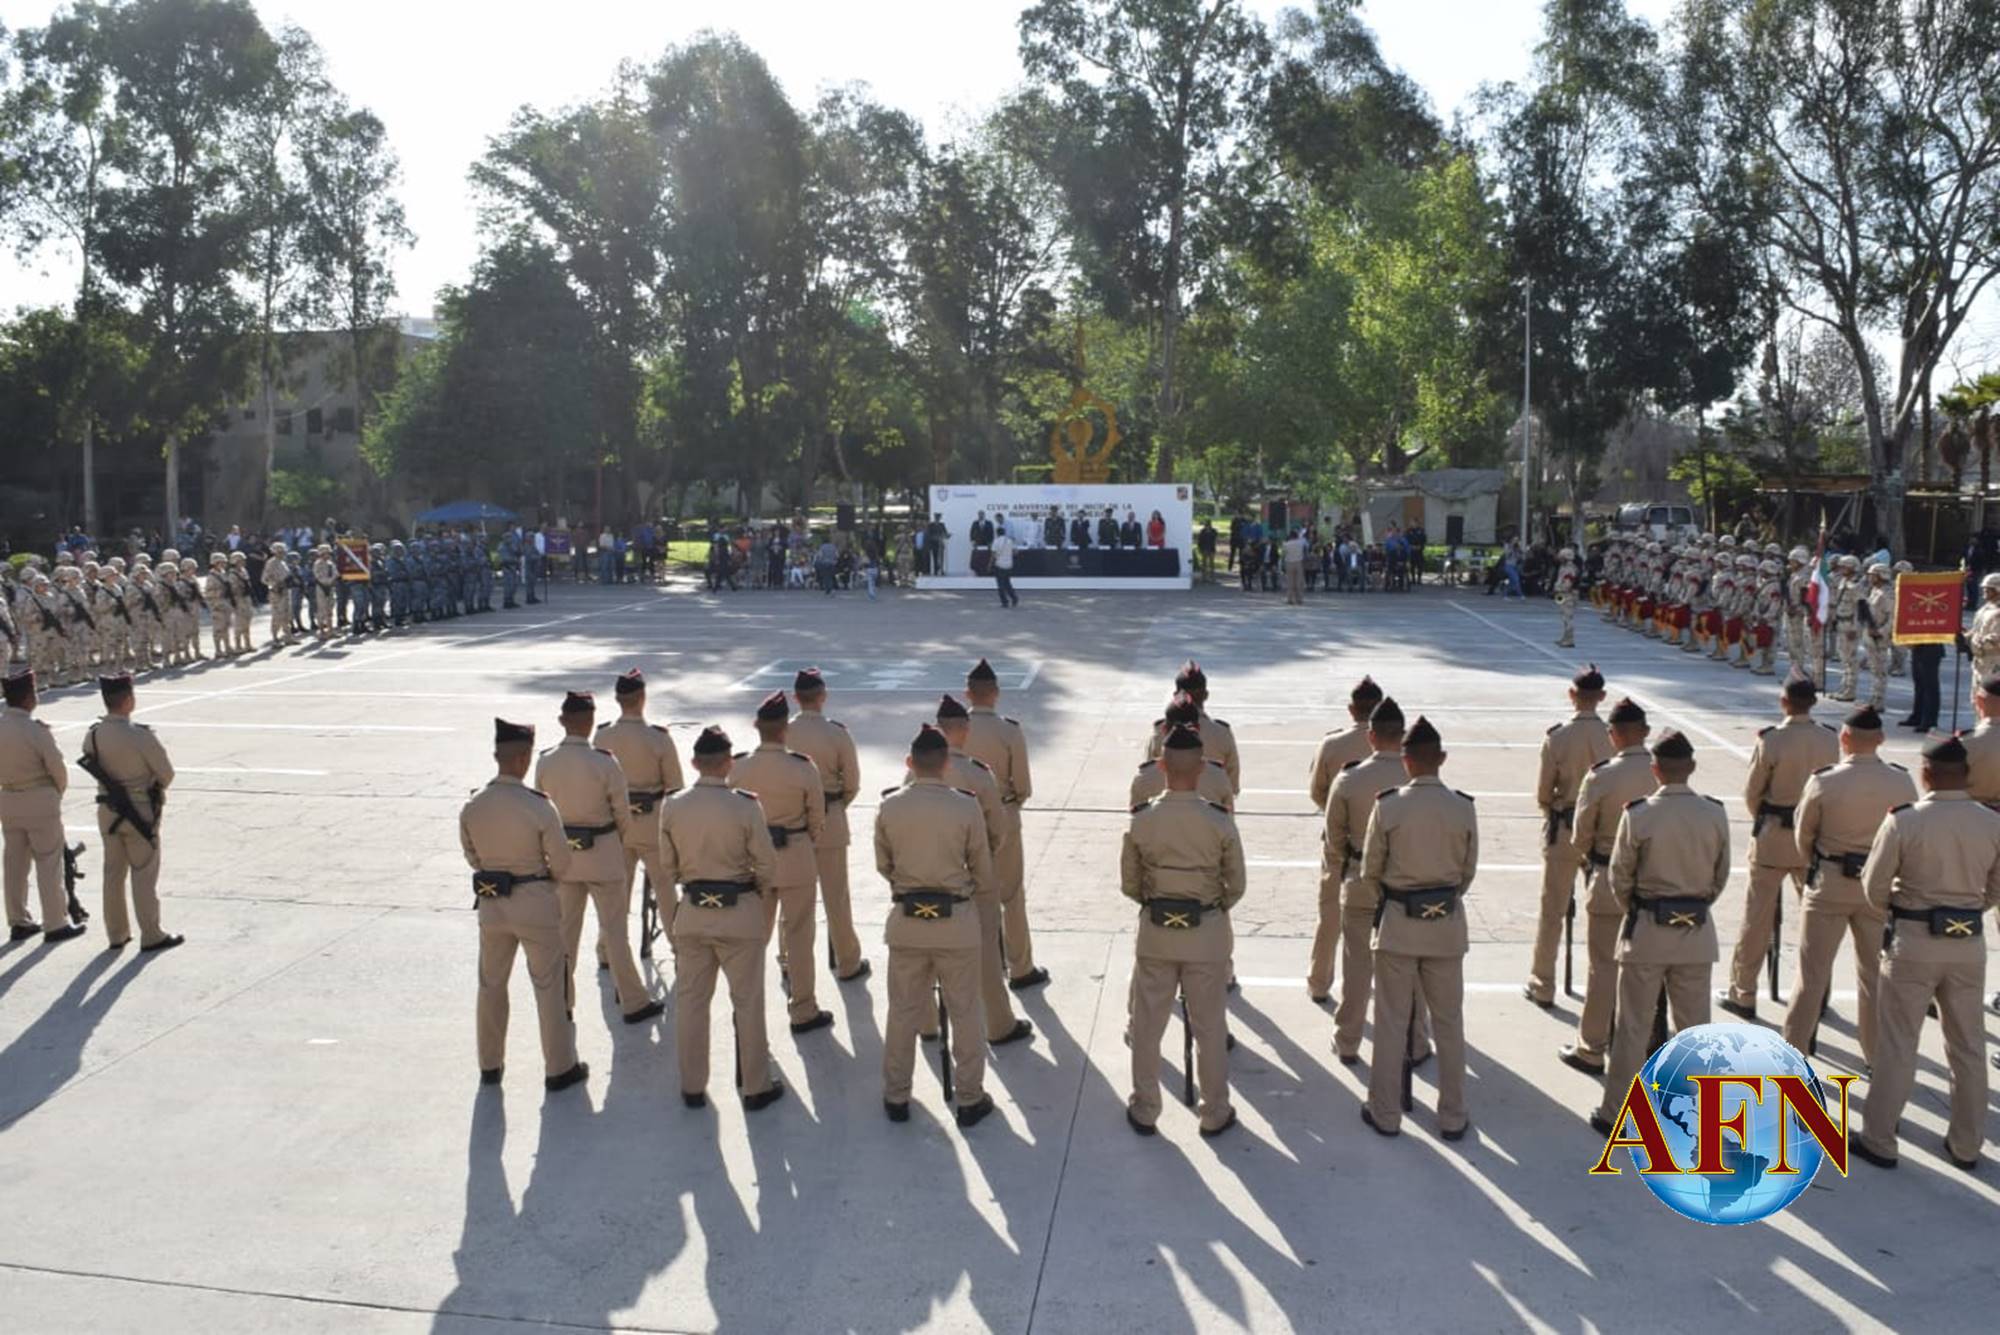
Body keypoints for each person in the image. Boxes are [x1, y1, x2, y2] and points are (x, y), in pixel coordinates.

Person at [1851, 733, 1999, 1172]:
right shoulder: (1990, 822)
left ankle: (1879, 1138)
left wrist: (1906, 909)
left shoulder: (1905, 820)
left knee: (1898, 1044)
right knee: (1968, 1046)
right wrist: (1968, 910)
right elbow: (1996, 888)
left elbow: (1873, 888)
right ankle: (1967, 1144)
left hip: (1913, 941)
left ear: (1926, 773)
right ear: (1967, 776)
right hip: (1968, 942)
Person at [1589, 731, 1730, 1136]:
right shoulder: (1714, 813)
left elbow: (1620, 880)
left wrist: (1645, 908)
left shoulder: (1639, 815)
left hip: (1648, 931)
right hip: (1696, 932)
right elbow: (1719, 878)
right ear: (1693, 767)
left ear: (1655, 770)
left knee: (1632, 1027)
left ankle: (1615, 1110)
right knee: (1696, 1033)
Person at [1121, 723, 1246, 1137]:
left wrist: (1160, 905)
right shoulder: (1219, 821)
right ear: (1203, 769)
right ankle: (1215, 1111)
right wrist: (1208, 909)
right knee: (1210, 1028)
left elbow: (1130, 884)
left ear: (1162, 766)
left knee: (1147, 1025)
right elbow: (1237, 885)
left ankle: (1145, 1107)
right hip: (1206, 933)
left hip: (1157, 930)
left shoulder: (1143, 820)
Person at [1356, 715, 1476, 1140]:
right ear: (1441, 758)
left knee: (1390, 1022)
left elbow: (1371, 872)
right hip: (1444, 926)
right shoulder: (1462, 807)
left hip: (1398, 926)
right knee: (1448, 1023)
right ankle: (1453, 1115)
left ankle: (1385, 1112)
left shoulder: (1388, 806)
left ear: (1405, 761)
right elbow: (1466, 873)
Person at [1780, 705, 1915, 1068]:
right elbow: (1908, 838)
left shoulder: (1825, 781)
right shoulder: (1901, 781)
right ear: (1882, 740)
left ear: (1844, 739)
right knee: (1874, 981)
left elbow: (1803, 836)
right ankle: (1875, 1058)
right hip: (1878, 890)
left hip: (1829, 884)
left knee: (1810, 978)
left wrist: (1820, 865)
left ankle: (1793, 1062)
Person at [876, 723, 997, 1127]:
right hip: (956, 923)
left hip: (908, 921)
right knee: (964, 1011)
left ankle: (896, 1095)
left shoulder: (890, 806)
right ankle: (969, 1097)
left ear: (910, 762)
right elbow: (982, 868)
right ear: (946, 764)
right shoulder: (966, 806)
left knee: (902, 1011)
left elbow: (884, 865)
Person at [660, 725, 784, 1111]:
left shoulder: (673, 805)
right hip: (739, 911)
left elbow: (668, 866)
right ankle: (755, 1087)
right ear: (729, 764)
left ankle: (692, 1086)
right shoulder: (746, 805)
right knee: (747, 1003)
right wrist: (753, 892)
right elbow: (767, 865)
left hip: (694, 913)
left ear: (694, 763)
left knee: (692, 1002)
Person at [459, 718, 586, 1091]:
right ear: (522, 759)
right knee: (549, 987)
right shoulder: (539, 806)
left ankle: (490, 1064)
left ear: (498, 756)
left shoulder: (474, 805)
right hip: (534, 904)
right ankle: (559, 1068)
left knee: (491, 984)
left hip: (493, 905)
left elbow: (472, 856)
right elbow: (562, 864)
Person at [534, 690, 663, 1027]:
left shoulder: (546, 761)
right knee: (615, 933)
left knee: (564, 936)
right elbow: (623, 816)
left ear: (562, 721)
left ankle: (561, 1003)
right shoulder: (605, 762)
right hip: (604, 854)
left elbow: (541, 813)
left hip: (565, 856)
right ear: (591, 722)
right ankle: (633, 1002)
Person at [1720, 669, 1840, 1020]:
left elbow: (1753, 794)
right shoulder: (1829, 739)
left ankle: (1743, 992)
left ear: (1784, 701)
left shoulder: (1771, 739)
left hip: (1774, 835)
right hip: (1815, 840)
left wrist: (1771, 819)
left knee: (1756, 918)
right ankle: (1816, 992)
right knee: (1818, 921)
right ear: (1813, 703)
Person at [1326, 698, 1433, 1064]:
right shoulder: (1417, 779)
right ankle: (1415, 1042)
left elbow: (1334, 839)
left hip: (1358, 883)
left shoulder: (1349, 779)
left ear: (1370, 737)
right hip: (1407, 888)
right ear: (1401, 737)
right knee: (1412, 973)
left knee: (1356, 969)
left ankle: (1348, 1041)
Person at [1559, 698, 1656, 1075]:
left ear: (1612, 735)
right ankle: (1642, 1046)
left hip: (1606, 880)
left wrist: (1592, 861)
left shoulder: (1601, 776)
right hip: (1652, 887)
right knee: (1645, 973)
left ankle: (1592, 1047)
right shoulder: (1661, 772)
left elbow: (1580, 836)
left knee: (1603, 968)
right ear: (1645, 732)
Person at [728, 691, 833, 1035]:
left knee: (753, 939)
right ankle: (803, 1010)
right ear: (785, 729)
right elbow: (817, 818)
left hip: (755, 862)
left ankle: (748, 1010)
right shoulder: (803, 767)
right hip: (797, 856)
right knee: (800, 936)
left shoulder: (739, 767)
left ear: (757, 726)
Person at [936, 695, 1035, 1048]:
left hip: (936, 863)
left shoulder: (922, 767)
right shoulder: (1002, 740)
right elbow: (1021, 788)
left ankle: (930, 1022)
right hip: (992, 837)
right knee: (1002, 909)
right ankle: (1016, 977)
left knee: (933, 937)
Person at [1524, 665, 1613, 1008]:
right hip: (1605, 831)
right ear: (1602, 697)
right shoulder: (1613, 735)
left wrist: (1553, 810)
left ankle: (1542, 982)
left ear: (1572, 695)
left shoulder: (1558, 737)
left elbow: (1544, 793)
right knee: (1603, 914)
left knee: (1553, 910)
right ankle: (1601, 984)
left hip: (1565, 826)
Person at [80, 673, 182, 952]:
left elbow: (89, 757)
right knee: (143, 872)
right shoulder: (140, 736)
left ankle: (117, 933)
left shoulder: (93, 735)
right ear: (128, 700)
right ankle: (151, 933)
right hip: (140, 811)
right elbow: (166, 774)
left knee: (113, 873)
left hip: (108, 810)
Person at [593, 669, 686, 966]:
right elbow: (675, 788)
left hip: (615, 826)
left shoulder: (603, 735)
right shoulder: (658, 738)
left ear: (618, 700)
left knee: (615, 894)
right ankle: (678, 947)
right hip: (652, 825)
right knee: (665, 888)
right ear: (642, 698)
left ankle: (607, 950)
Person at [962, 658, 1044, 991]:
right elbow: (1022, 785)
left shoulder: (952, 729)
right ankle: (1020, 967)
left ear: (968, 694)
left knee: (971, 895)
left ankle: (982, 964)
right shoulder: (1009, 730)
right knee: (1010, 895)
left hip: (962, 818)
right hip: (1005, 814)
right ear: (995, 693)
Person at [787, 668, 868, 982]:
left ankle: (786, 959)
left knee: (792, 899)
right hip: (830, 818)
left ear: (796, 698)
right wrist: (832, 808)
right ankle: (848, 960)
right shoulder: (837, 733)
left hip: (792, 824)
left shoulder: (783, 730)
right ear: (823, 696)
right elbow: (851, 784)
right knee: (837, 896)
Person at [1, 669, 81, 943]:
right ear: (27, 697)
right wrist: (54, 794)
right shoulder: (35, 730)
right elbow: (58, 769)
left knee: (14, 863)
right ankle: (55, 923)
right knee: (49, 861)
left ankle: (18, 921)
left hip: (8, 799)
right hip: (38, 798)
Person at [1132, 694, 1235, 810]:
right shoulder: (1218, 776)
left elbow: (1136, 821)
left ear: (1164, 728)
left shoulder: (1145, 777)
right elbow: (1227, 820)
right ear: (1198, 728)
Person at [1553, 548, 1579, 648]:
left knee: (1568, 617)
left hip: (1568, 594)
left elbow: (1568, 584)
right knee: (1563, 616)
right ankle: (1565, 638)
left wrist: (1560, 589)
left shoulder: (1570, 569)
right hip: (1561, 594)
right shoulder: (1563, 567)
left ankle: (1569, 639)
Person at [992, 528, 1019, 608]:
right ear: (1004, 532)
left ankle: (1005, 602)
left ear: (997, 533)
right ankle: (1014, 598)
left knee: (1000, 585)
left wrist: (990, 564)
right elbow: (1016, 552)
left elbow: (993, 554)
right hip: (1009, 565)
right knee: (1007, 583)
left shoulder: (996, 541)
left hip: (999, 565)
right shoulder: (1010, 541)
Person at [1282, 527, 1307, 606]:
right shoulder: (1300, 543)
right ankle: (1299, 599)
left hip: (1289, 562)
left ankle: (1290, 599)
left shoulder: (1286, 544)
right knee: (1299, 582)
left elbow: (1283, 554)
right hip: (1299, 562)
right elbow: (1305, 546)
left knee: (1290, 582)